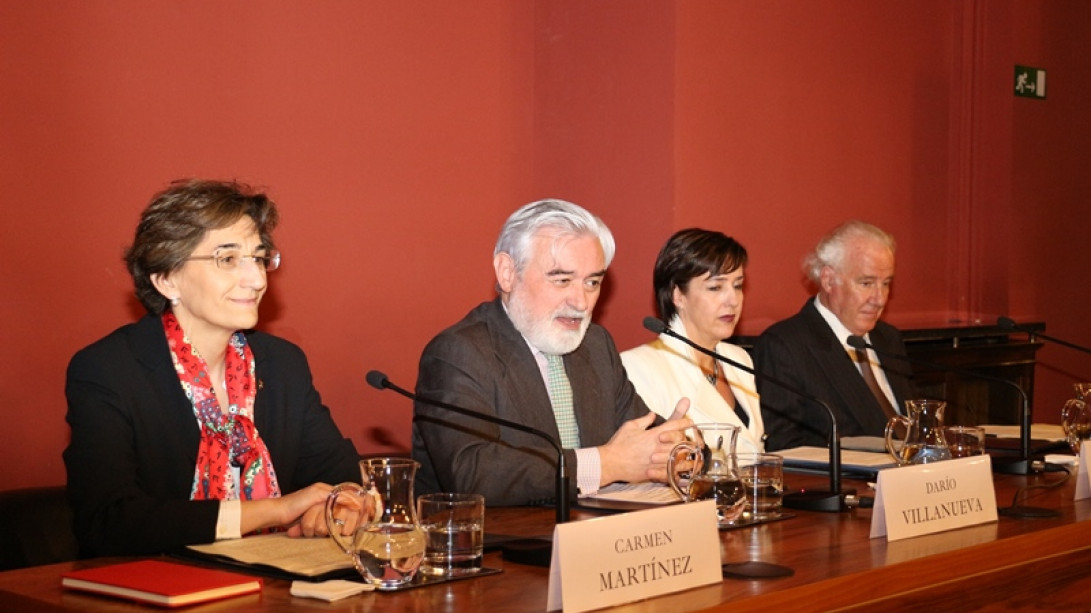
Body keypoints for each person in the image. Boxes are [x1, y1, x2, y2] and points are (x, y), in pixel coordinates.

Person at [64, 179, 362, 557]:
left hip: (272, 584)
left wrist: (345, 503)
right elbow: (108, 522)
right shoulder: (110, 370)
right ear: (166, 278)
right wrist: (276, 510)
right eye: (227, 259)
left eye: (258, 257)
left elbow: (339, 475)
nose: (256, 279)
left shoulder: (282, 364)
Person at [411, 199, 692, 506]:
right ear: (507, 272)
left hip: (594, 537)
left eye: (592, 282)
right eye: (562, 280)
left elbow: (640, 435)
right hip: (501, 545)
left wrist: (676, 448)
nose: (581, 302)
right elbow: (471, 473)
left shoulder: (595, 344)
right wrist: (606, 464)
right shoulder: (460, 353)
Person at [754, 220, 914, 451]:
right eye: (866, 283)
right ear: (829, 280)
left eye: (886, 283)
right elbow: (785, 448)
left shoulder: (889, 339)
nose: (880, 298)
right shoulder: (785, 346)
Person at [621, 229, 764, 455]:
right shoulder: (638, 366)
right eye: (715, 287)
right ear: (678, 295)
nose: (733, 300)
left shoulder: (739, 358)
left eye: (737, 285)